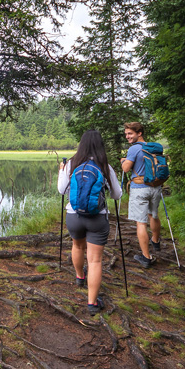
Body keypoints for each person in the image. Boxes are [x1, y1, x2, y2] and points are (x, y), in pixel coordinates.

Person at [57, 130, 123, 314]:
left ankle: (79, 277)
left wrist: (61, 172)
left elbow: (62, 190)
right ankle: (92, 303)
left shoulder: (71, 164)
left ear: (81, 145)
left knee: (77, 247)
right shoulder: (104, 166)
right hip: (97, 218)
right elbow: (117, 195)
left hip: (73, 216)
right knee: (94, 261)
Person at [120, 121, 162, 268]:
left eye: (130, 133)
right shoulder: (153, 148)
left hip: (139, 188)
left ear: (139, 133)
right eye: (126, 134)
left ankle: (146, 257)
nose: (127, 136)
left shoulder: (134, 149)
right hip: (155, 187)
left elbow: (126, 169)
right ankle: (155, 242)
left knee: (141, 223)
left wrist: (123, 161)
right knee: (154, 215)